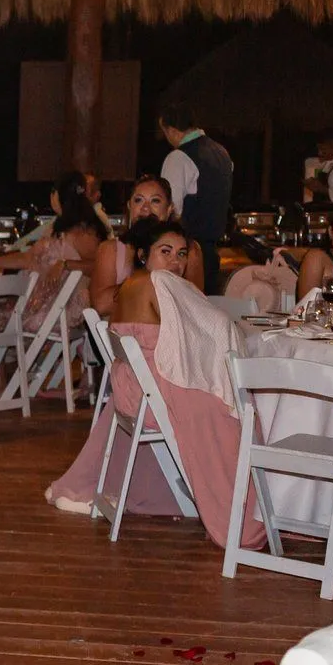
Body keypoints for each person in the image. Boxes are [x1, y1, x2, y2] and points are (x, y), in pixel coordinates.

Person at [45, 216, 263, 551]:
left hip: (134, 388)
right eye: (165, 251)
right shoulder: (157, 282)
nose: (175, 261)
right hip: (153, 390)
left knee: (226, 399)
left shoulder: (133, 283)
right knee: (234, 409)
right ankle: (244, 512)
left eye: (181, 253)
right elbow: (212, 328)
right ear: (144, 254)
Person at [0, 172, 105, 335]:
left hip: (59, 309)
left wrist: (65, 265)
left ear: (57, 195)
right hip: (44, 303)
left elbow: (99, 265)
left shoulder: (83, 230)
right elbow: (29, 258)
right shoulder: (58, 227)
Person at [90, 174, 206, 318]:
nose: (145, 208)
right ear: (130, 206)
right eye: (138, 200)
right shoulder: (111, 249)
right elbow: (100, 305)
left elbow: (196, 305)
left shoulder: (189, 249)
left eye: (155, 201)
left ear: (169, 209)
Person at [158, 101, 233, 295]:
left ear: (172, 130)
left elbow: (170, 211)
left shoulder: (178, 158)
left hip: (188, 254)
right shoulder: (222, 153)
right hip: (213, 253)